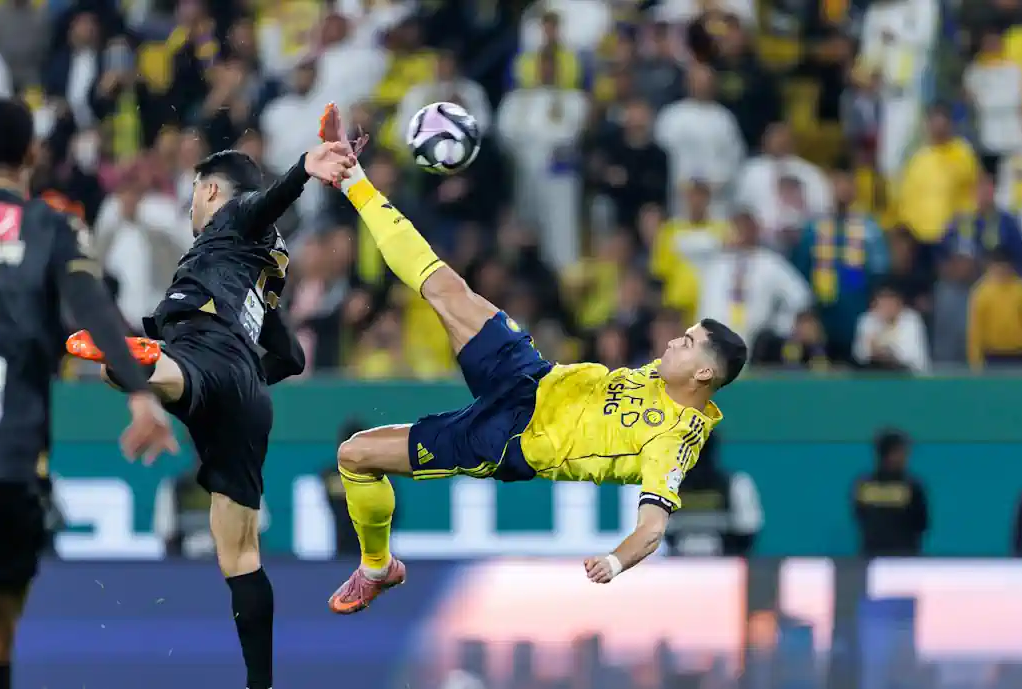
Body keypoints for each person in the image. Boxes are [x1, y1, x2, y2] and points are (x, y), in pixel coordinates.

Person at [317, 102, 747, 612]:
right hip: (532, 375)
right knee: (444, 286)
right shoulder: (665, 372)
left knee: (355, 455)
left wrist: (614, 560)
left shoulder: (674, 438)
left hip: (508, 438)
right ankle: (352, 178)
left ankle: (375, 567)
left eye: (690, 342)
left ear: (703, 372)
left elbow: (653, 527)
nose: (676, 339)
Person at [64, 138, 354, 689]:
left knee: (122, 371)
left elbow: (260, 204)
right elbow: (290, 357)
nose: (191, 203)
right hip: (248, 393)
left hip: (203, 354)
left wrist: (302, 171)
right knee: (241, 554)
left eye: (195, 191)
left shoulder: (230, 221)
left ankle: (146, 371)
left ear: (213, 190)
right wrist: (240, 380)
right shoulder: (264, 274)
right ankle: (261, 684)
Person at [0, 97, 177, 689]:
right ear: (31, 155)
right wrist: (140, 395)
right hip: (3, 460)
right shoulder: (50, 226)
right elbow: (94, 309)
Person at [851, 429, 929, 557]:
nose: (906, 456)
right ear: (890, 454)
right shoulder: (912, 486)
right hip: (904, 557)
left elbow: (859, 516)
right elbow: (922, 523)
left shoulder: (863, 485)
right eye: (902, 451)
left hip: (871, 555)